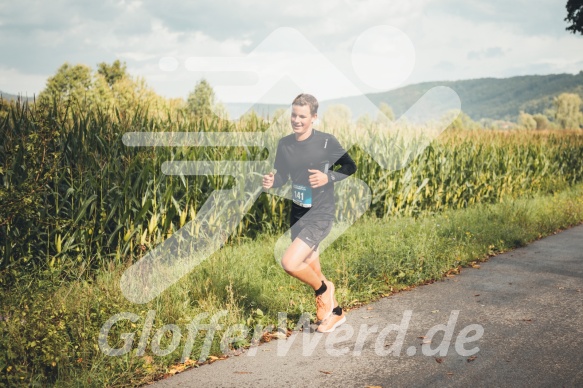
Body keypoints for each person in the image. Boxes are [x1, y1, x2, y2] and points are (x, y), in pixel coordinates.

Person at [262, 93, 356, 333]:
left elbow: (350, 166)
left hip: (321, 214)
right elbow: (282, 174)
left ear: (314, 117)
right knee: (313, 269)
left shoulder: (326, 142)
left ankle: (323, 290)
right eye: (293, 114)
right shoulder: (285, 144)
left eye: (302, 116)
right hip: (298, 213)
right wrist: (273, 181)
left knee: (290, 262)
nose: (296, 120)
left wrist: (329, 176)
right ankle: (336, 314)